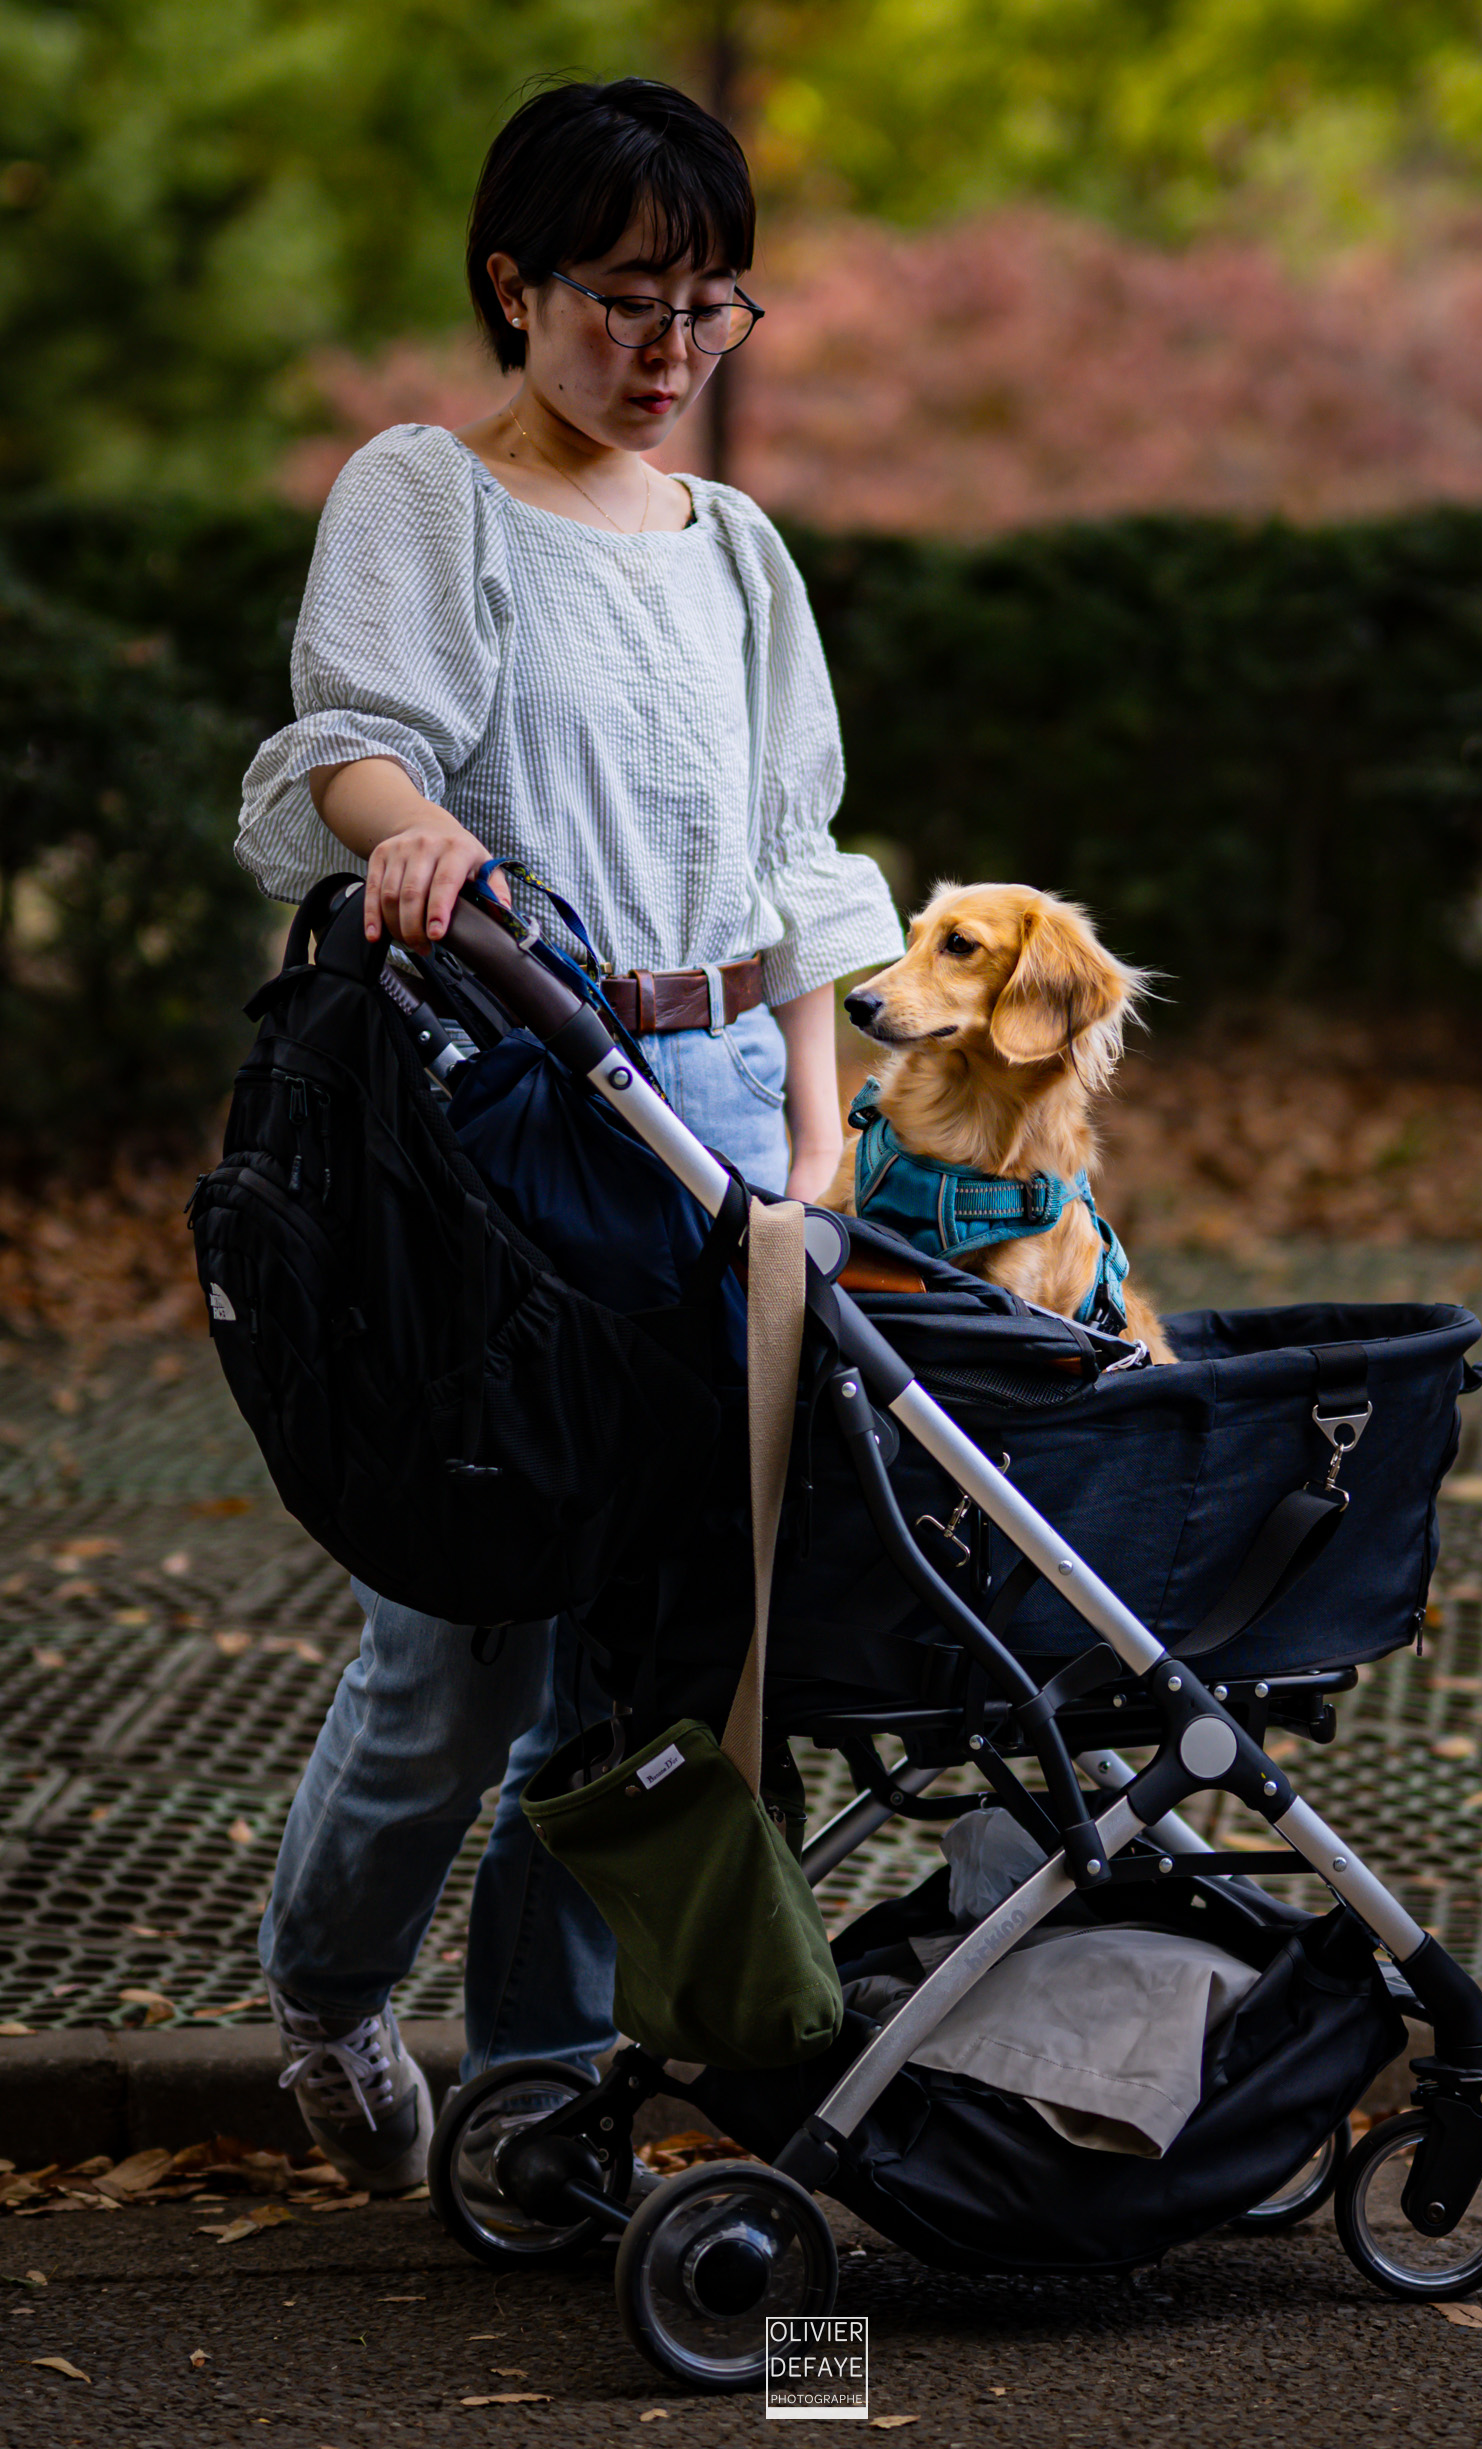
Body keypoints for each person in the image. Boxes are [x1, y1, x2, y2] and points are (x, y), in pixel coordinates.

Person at [234, 75, 903, 2190]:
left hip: (714, 1131)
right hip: (497, 1127)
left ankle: (539, 2096)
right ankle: (331, 2007)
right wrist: (413, 828)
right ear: (514, 287)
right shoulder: (431, 496)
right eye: (626, 297)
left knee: (632, 1669)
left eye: (714, 306)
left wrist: (815, 1133)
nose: (671, 350)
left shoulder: (742, 553)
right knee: (452, 1650)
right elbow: (341, 741)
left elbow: (799, 867)